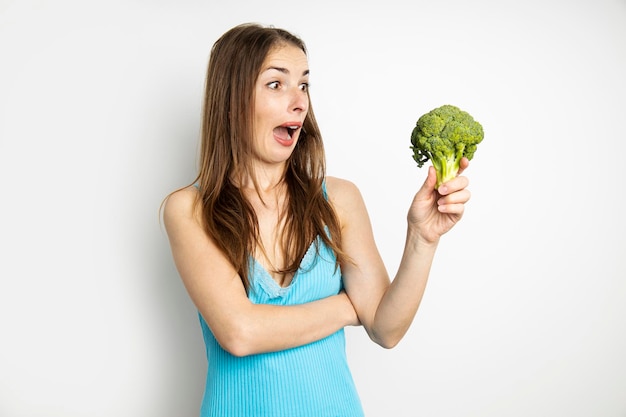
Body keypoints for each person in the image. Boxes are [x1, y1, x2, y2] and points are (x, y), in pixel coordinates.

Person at [162, 22, 471, 417]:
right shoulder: (189, 210)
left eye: (304, 85)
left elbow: (386, 328)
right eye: (276, 84)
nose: (299, 102)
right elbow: (240, 333)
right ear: (231, 100)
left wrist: (423, 238)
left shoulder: (339, 200)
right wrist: (348, 306)